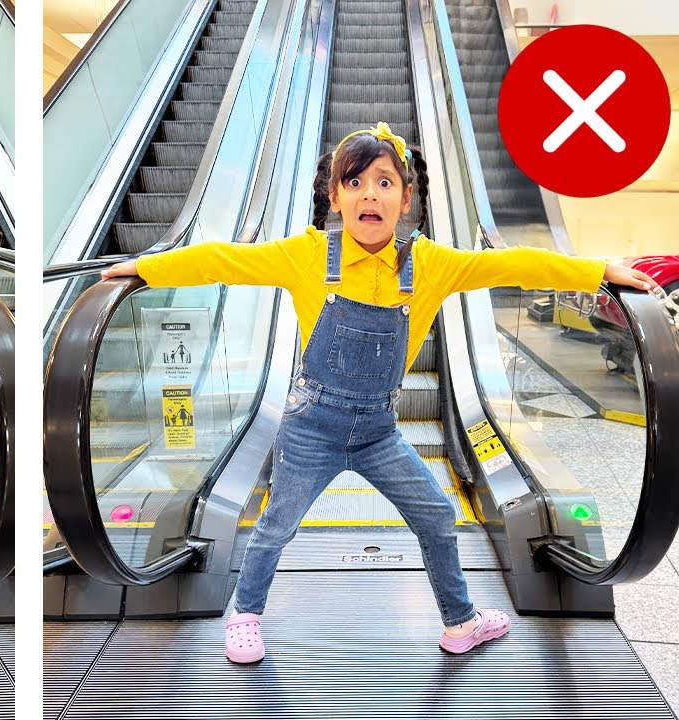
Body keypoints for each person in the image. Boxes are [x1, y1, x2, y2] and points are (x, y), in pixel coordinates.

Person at [101, 122, 657, 663]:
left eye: (385, 181)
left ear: (406, 198)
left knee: (437, 515)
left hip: (377, 431)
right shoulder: (306, 254)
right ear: (335, 196)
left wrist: (596, 271)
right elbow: (220, 259)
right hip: (311, 425)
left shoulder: (431, 263)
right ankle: (245, 617)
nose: (371, 193)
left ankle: (460, 622)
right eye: (355, 182)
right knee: (276, 527)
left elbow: (511, 263)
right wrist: (145, 268)